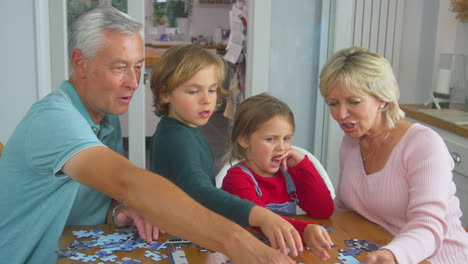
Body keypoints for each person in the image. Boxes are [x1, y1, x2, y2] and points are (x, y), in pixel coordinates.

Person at [0, 7, 296, 264]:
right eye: (119, 68)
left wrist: (118, 211)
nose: (132, 82)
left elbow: (93, 201)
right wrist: (237, 241)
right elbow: (128, 182)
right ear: (80, 63)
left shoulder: (108, 119)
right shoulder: (54, 119)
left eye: (137, 68)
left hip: (75, 250)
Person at [149, 44, 305, 257]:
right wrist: (259, 215)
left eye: (212, 89)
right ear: (165, 94)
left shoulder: (187, 129)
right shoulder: (176, 138)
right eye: (194, 91)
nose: (207, 99)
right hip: (177, 238)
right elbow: (199, 190)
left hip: (186, 233)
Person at [319, 46, 468, 264]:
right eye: (333, 103)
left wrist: (392, 254)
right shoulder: (351, 141)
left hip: (434, 259)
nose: (340, 114)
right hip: (372, 249)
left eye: (354, 102)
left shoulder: (423, 145)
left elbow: (427, 226)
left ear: (382, 99)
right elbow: (344, 207)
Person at [220, 93, 335, 261]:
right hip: (247, 255)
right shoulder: (236, 179)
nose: (281, 147)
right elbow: (258, 220)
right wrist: (305, 230)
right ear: (244, 140)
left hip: (285, 252)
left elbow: (323, 210)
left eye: (287, 138)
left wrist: (304, 165)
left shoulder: (289, 173)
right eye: (271, 139)